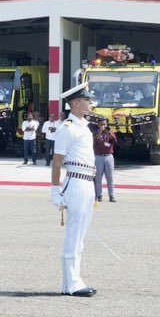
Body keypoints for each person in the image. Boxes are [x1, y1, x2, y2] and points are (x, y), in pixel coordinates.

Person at [49, 82, 99, 297]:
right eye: (87, 100)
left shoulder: (83, 126)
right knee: (74, 234)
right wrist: (55, 190)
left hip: (88, 181)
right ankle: (71, 285)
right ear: (76, 103)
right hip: (76, 182)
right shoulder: (67, 129)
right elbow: (57, 161)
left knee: (82, 235)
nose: (91, 103)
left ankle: (74, 281)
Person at [92, 116, 117, 201]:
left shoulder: (109, 132)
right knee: (98, 177)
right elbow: (93, 143)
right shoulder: (95, 133)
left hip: (108, 156)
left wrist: (110, 133)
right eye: (102, 124)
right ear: (98, 125)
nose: (103, 126)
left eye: (105, 124)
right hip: (98, 157)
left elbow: (114, 141)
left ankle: (112, 195)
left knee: (110, 177)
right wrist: (100, 133)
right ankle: (99, 195)